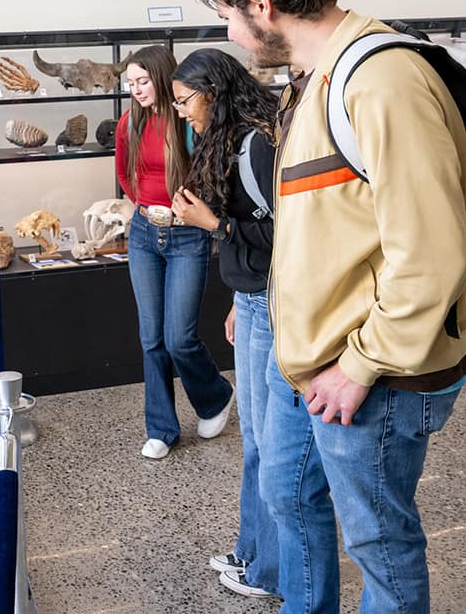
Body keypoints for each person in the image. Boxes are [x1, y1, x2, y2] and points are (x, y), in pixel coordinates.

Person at [197, 0, 466, 613]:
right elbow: (323, 225)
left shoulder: (380, 80)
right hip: (318, 358)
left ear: (261, 4)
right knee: (286, 492)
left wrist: (359, 365)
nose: (230, 35)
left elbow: (432, 250)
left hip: (372, 374)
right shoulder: (313, 80)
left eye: (229, 16)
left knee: (378, 546)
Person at [169, 49, 280, 601]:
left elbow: (286, 236)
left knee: (266, 443)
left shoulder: (257, 144)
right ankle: (251, 550)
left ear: (212, 90)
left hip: (274, 305)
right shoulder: (230, 140)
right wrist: (239, 297)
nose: (183, 112)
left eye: (186, 100)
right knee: (257, 443)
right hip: (254, 299)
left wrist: (212, 223)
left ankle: (266, 571)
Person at [115, 44, 234, 461]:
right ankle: (162, 429)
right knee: (152, 339)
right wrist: (147, 208)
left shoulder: (190, 122)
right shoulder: (129, 123)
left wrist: (183, 212)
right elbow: (124, 175)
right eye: (131, 84)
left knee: (179, 338)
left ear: (163, 78)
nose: (137, 90)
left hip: (187, 236)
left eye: (143, 81)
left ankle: (215, 395)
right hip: (146, 234)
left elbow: (212, 176)